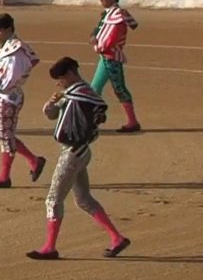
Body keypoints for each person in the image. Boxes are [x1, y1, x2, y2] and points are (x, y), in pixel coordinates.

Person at [27, 57, 131, 260]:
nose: (58, 83)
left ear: (69, 74)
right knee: (84, 200)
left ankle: (50, 247)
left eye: (60, 78)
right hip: (80, 152)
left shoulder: (81, 94)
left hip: (72, 153)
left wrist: (64, 101)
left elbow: (98, 108)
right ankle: (117, 238)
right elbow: (52, 114)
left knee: (53, 199)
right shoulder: (76, 94)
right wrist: (51, 104)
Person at [0, 13, 46, 188]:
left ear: (8, 29)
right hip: (7, 95)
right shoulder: (10, 47)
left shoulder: (16, 49)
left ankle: (6, 176)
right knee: (3, 135)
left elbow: (11, 75)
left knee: (5, 136)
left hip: (9, 96)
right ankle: (33, 161)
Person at [89, 0, 142, 132]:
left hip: (112, 56)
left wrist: (101, 46)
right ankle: (93, 119)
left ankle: (132, 122)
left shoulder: (118, 14)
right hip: (106, 57)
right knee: (95, 88)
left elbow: (114, 36)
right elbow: (98, 28)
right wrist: (93, 36)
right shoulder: (108, 14)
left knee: (119, 89)